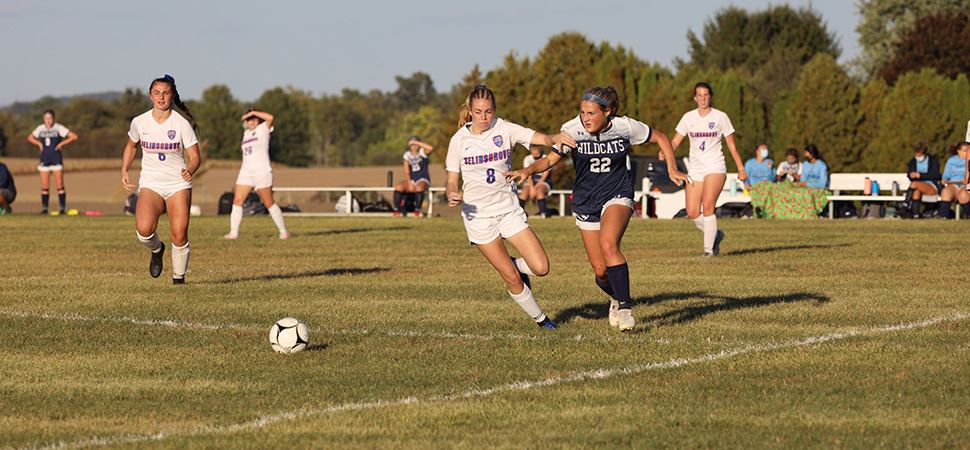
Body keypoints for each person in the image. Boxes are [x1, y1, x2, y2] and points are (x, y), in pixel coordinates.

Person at [508, 85, 687, 332]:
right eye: (582, 112)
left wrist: (671, 168)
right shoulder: (572, 129)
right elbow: (550, 160)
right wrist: (528, 170)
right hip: (586, 200)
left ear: (607, 113)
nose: (585, 118)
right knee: (601, 271)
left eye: (591, 113)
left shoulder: (625, 126)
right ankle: (615, 298)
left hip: (617, 194)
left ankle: (625, 308)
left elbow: (661, 138)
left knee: (608, 244)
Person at [445, 85, 574, 330]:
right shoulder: (459, 141)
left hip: (509, 211)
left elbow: (542, 139)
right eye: (479, 112)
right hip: (479, 219)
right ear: (470, 111)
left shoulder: (505, 128)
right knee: (512, 279)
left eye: (489, 111)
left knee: (541, 267)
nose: (484, 117)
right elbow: (452, 180)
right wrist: (451, 193)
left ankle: (510, 263)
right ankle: (542, 320)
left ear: (495, 110)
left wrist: (555, 139)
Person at [121, 75, 202, 284]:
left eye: (165, 93)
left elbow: (195, 156)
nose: (161, 97)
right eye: (157, 93)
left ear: (172, 95)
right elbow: (131, 146)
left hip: (178, 184)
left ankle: (178, 279)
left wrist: (190, 170)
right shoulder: (139, 122)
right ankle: (157, 250)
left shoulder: (181, 124)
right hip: (151, 183)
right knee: (144, 230)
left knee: (179, 234)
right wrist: (124, 169)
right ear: (150, 96)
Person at [670, 82, 746, 258]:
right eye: (699, 95)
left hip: (715, 166)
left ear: (710, 96)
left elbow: (732, 146)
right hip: (695, 169)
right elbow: (674, 142)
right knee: (692, 212)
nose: (703, 98)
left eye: (706, 95)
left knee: (708, 205)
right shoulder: (688, 118)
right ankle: (716, 235)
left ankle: (708, 251)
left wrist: (741, 169)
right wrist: (666, 152)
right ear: (695, 97)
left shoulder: (721, 117)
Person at [224, 108, 290, 239]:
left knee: (268, 203)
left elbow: (270, 117)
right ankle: (233, 233)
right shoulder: (246, 133)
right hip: (246, 172)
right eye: (249, 119)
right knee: (237, 201)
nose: (252, 121)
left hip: (262, 171)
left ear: (258, 119)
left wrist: (254, 114)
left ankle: (283, 231)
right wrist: (248, 116)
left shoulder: (263, 129)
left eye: (254, 118)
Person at [27, 109, 78, 214]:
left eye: (50, 118)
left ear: (53, 119)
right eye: (46, 118)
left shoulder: (58, 128)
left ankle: (62, 209)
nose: (48, 121)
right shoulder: (40, 128)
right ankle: (45, 209)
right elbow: (30, 137)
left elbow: (74, 136)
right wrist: (39, 144)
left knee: (59, 185)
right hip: (44, 159)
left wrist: (61, 144)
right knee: (45, 186)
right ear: (43, 119)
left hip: (56, 158)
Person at [392, 136, 435, 217]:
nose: (414, 146)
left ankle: (417, 210)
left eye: (416, 144)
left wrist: (416, 142)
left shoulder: (422, 152)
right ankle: (397, 210)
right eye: (412, 144)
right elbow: (407, 171)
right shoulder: (407, 155)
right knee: (398, 187)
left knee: (419, 187)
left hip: (423, 179)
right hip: (412, 179)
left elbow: (431, 148)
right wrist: (409, 183)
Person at [905, 141, 941, 218]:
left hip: (932, 186)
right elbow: (909, 175)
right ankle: (916, 216)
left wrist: (919, 175)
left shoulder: (932, 160)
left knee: (914, 184)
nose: (918, 158)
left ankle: (905, 203)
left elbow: (935, 175)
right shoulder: (913, 161)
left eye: (920, 155)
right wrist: (911, 175)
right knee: (916, 192)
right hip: (918, 187)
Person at [517, 145, 552, 217]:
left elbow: (545, 175)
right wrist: (532, 187)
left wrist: (535, 188)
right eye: (534, 153)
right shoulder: (527, 158)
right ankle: (519, 212)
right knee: (525, 191)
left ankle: (543, 212)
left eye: (537, 153)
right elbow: (527, 174)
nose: (535, 155)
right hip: (531, 180)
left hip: (543, 180)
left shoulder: (546, 157)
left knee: (539, 190)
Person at [940, 141, 969, 219]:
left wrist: (966, 180)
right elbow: (946, 174)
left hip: (965, 185)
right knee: (945, 192)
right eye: (964, 151)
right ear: (958, 151)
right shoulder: (951, 160)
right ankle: (944, 218)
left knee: (963, 195)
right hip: (954, 185)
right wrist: (944, 179)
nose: (966, 153)